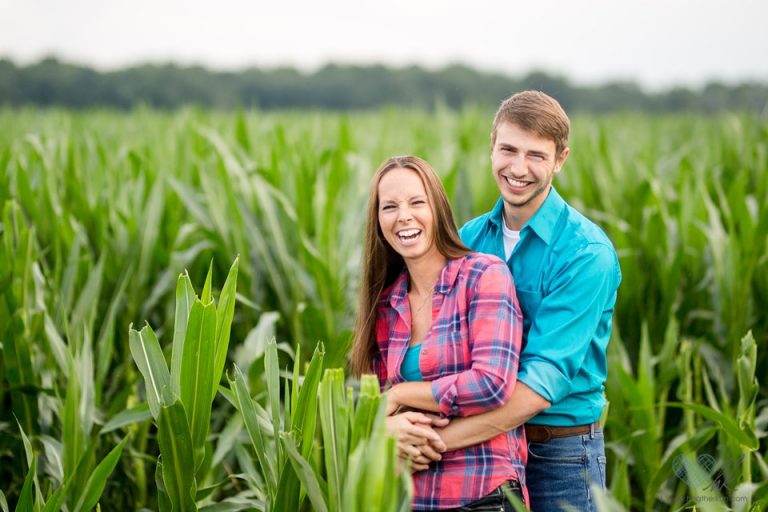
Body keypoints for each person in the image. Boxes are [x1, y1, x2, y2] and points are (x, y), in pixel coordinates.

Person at [415, 91, 622, 511]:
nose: (518, 168)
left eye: (536, 155)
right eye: (508, 149)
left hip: (558, 454)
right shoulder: (468, 240)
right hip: (480, 450)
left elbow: (539, 386)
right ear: (491, 146)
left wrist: (430, 443)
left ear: (561, 159)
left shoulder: (586, 254)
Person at [349, 155, 527, 510]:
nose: (404, 216)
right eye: (390, 207)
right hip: (408, 497)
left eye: (417, 202)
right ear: (378, 220)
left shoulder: (483, 276)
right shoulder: (384, 305)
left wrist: (401, 394)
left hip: (482, 493)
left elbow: (492, 383)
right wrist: (384, 430)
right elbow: (371, 405)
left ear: (438, 210)